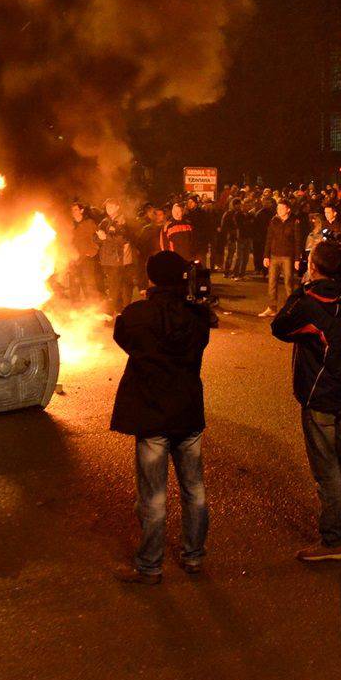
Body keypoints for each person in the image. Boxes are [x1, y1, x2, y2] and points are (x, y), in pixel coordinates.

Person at [110, 250, 216, 583]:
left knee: (153, 495)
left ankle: (150, 565)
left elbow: (123, 338)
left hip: (152, 411)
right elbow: (200, 338)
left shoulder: (137, 314)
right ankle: (194, 555)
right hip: (187, 410)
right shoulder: (198, 315)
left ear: (151, 277)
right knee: (194, 488)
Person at [273, 240, 341, 561]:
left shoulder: (312, 302)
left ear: (314, 266)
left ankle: (333, 540)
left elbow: (280, 326)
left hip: (319, 396)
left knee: (326, 469)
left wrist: (301, 290)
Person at [259, 200, 301, 318]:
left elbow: (298, 241)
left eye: (282, 208)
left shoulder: (294, 222)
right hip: (274, 255)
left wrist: (297, 259)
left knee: (288, 282)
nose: (279, 210)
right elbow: (269, 239)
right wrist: (266, 256)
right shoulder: (274, 221)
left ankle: (290, 308)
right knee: (272, 282)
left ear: (288, 209)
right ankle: (272, 308)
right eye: (278, 208)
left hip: (288, 256)